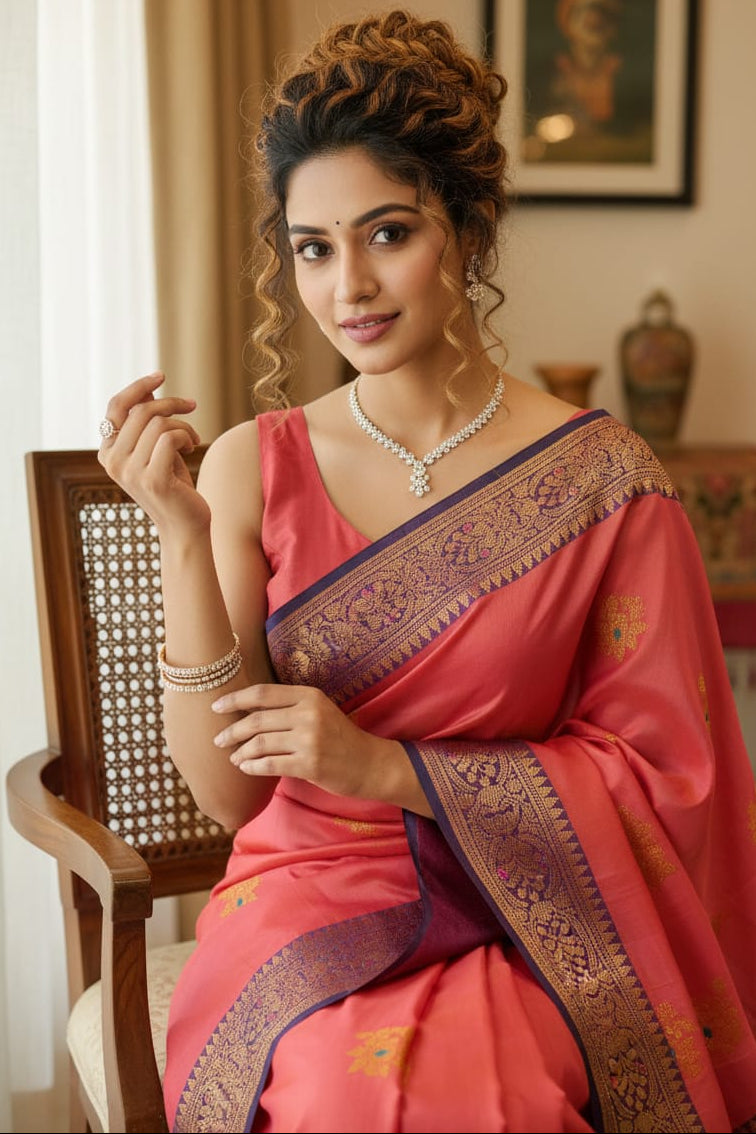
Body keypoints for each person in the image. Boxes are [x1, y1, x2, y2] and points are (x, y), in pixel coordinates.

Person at [97, 10, 756, 1133]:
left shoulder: (603, 481)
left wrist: (388, 766)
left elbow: (668, 782)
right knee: (351, 1094)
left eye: (387, 233)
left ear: (468, 225)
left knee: (487, 1091)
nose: (348, 284)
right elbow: (231, 795)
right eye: (313, 247)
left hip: (538, 907)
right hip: (309, 902)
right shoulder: (258, 464)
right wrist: (174, 528)